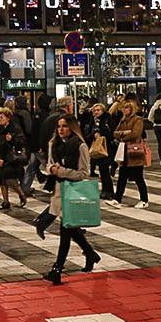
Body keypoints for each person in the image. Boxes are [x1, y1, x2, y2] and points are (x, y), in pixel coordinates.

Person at [42, 115, 101, 286]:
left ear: (72, 127)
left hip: (73, 191)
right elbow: (49, 164)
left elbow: (83, 173)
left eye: (65, 126)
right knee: (71, 228)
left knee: (66, 230)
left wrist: (60, 171)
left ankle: (57, 269)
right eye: (59, 126)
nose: (61, 129)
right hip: (59, 191)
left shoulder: (80, 145)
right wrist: (51, 169)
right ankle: (90, 254)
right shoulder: (53, 143)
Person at [0, 107, 29, 211]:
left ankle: (21, 195)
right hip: (0, 156)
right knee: (1, 179)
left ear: (8, 118)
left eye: (1, 117)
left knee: (10, 179)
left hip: (11, 157)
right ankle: (5, 201)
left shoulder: (15, 128)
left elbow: (22, 141)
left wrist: (12, 139)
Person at [108, 100, 149, 208]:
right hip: (124, 151)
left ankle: (144, 200)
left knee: (138, 176)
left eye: (126, 108)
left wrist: (123, 137)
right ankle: (117, 199)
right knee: (122, 176)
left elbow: (136, 133)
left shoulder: (137, 120)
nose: (124, 110)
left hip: (134, 151)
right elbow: (115, 133)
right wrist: (124, 133)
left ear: (131, 109)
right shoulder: (122, 120)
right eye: (123, 108)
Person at [85, 103, 115, 200]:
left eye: (98, 110)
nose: (96, 112)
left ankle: (109, 191)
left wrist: (101, 132)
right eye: (95, 110)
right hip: (96, 148)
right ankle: (104, 190)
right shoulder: (92, 121)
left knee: (105, 171)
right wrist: (93, 134)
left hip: (106, 148)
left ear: (103, 110)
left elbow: (111, 133)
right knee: (102, 171)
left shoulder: (106, 119)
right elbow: (88, 134)